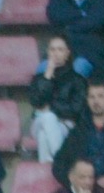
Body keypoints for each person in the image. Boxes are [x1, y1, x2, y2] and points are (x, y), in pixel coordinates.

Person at [28, 34, 89, 168]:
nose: (56, 53)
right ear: (48, 52)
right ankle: (64, 164)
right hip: (39, 122)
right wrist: (47, 76)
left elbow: (76, 109)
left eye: (60, 49)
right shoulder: (39, 78)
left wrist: (50, 107)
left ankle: (47, 173)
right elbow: (36, 101)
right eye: (52, 49)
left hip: (66, 124)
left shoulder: (78, 80)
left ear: (67, 53)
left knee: (44, 137)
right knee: (48, 118)